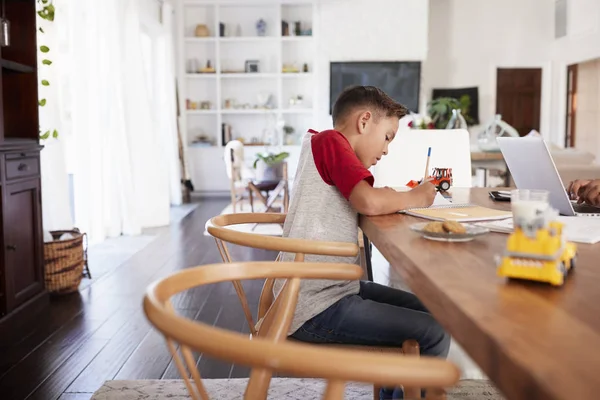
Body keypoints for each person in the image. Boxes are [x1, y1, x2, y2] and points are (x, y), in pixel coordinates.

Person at [275, 85, 451, 400]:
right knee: (435, 332)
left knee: (437, 312)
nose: (386, 150)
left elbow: (369, 197)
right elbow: (368, 202)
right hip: (315, 307)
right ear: (364, 121)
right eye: (387, 137)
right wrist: (418, 196)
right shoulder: (331, 141)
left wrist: (398, 196)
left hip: (326, 291)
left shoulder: (319, 142)